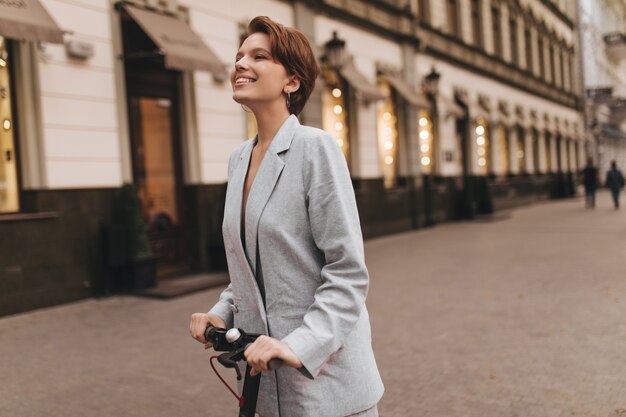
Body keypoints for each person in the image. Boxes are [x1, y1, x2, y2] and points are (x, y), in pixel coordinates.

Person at [189, 16, 384, 417]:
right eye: (239, 55)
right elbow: (252, 266)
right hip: (264, 386)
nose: (241, 63)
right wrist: (221, 312)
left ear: (291, 82)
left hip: (326, 384)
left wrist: (298, 345)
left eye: (259, 56)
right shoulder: (238, 159)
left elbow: (348, 273)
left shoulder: (316, 149)